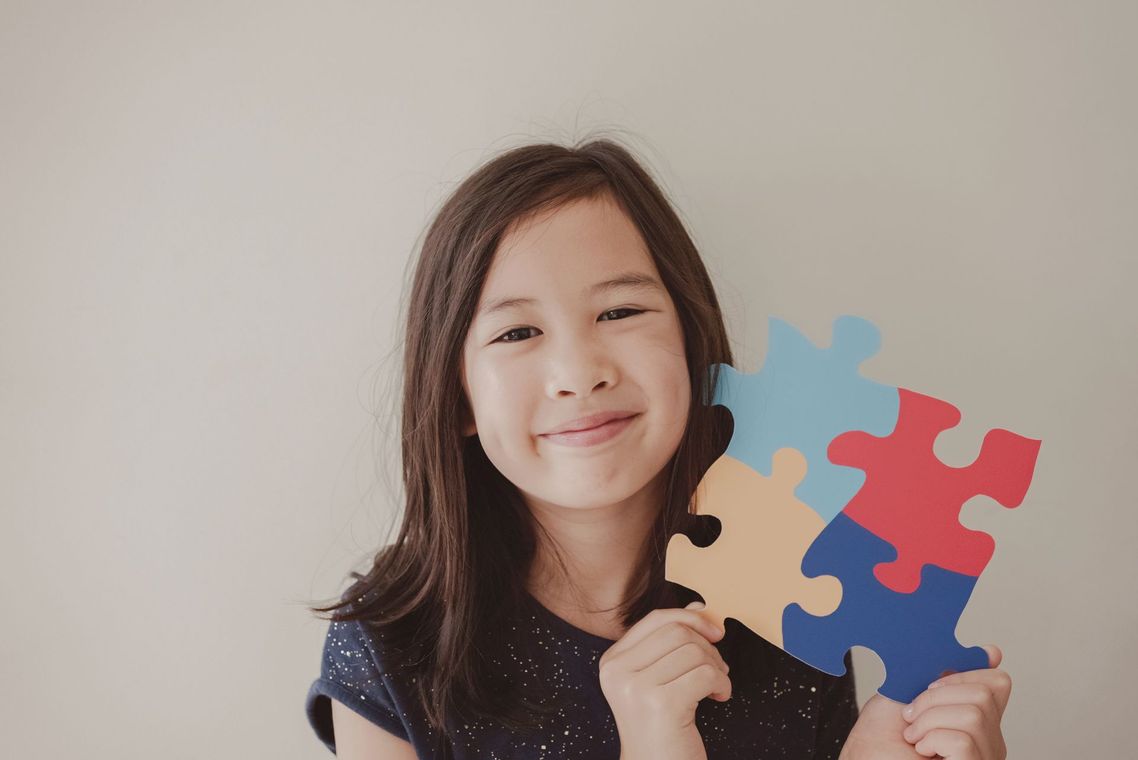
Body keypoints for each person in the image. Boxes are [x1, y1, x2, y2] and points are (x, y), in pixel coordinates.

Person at [304, 136, 1012, 759]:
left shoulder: (803, 586)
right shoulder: (393, 646)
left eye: (620, 312)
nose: (581, 373)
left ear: (692, 347)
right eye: (517, 333)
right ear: (457, 396)